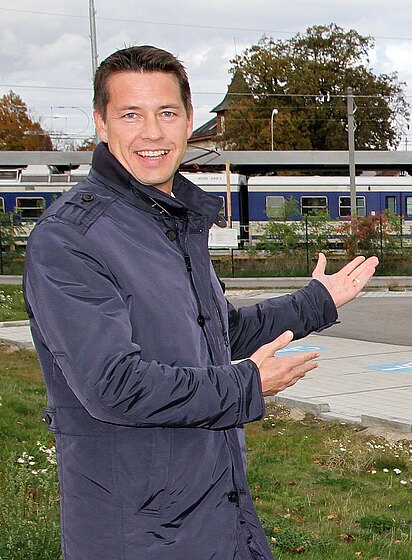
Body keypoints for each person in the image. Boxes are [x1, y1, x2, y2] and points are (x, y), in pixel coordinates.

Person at [23, 45, 378, 560]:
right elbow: (112, 385)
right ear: (101, 123)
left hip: (216, 512)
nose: (152, 132)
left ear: (189, 120)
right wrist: (246, 384)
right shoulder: (70, 239)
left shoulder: (169, 223)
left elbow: (215, 333)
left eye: (166, 113)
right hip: (137, 533)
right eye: (131, 115)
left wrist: (314, 302)